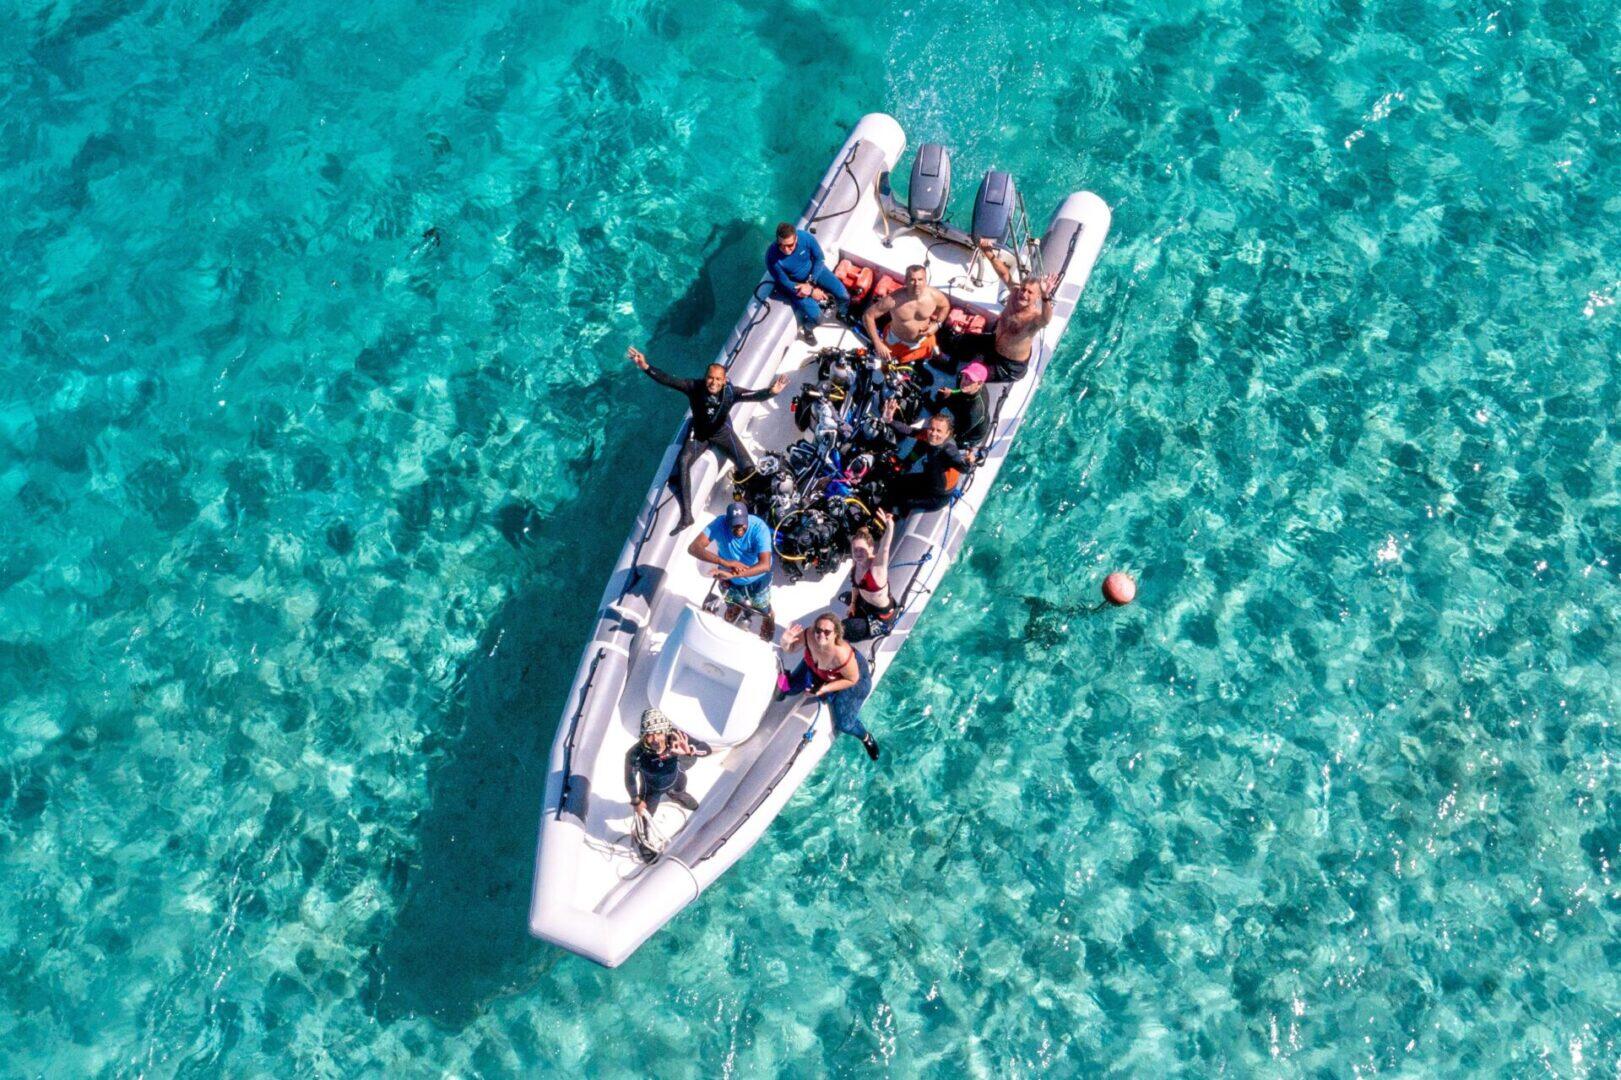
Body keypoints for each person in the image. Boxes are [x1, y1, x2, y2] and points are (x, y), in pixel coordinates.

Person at [629, 346, 789, 534]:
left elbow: (754, 395)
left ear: (724, 380)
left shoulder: (731, 393)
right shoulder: (694, 387)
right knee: (683, 462)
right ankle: (687, 516)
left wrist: (772, 391)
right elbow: (668, 380)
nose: (713, 382)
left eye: (718, 379)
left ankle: (762, 506)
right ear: (705, 378)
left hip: (722, 433)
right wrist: (645, 366)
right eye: (710, 378)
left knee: (748, 468)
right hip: (699, 434)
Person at [940, 239, 1057, 382]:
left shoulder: (1034, 318)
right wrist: (988, 253)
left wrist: (1046, 296)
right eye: (1023, 289)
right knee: (955, 339)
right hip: (993, 343)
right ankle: (950, 366)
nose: (1024, 294)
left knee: (969, 377)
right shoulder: (1015, 293)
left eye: (1030, 292)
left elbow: (1046, 319)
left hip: (1008, 366)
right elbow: (1004, 274)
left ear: (1037, 296)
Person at [778, 613, 879, 760]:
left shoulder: (842, 654)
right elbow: (791, 648)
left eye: (827, 632)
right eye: (818, 630)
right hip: (817, 669)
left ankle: (866, 737)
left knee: (845, 724)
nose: (821, 635)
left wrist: (823, 689)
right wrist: (785, 641)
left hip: (852, 679)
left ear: (836, 634)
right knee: (788, 688)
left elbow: (852, 680)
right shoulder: (809, 635)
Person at [624, 708, 713, 860]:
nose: (655, 739)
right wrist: (636, 801)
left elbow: (707, 749)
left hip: (676, 777)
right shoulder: (636, 754)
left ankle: (677, 795)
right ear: (643, 735)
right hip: (652, 789)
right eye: (649, 735)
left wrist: (691, 750)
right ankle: (641, 840)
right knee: (645, 817)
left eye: (659, 733)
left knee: (680, 788)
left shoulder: (676, 737)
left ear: (665, 731)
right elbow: (630, 778)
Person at [688, 500, 776, 641]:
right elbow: (693, 548)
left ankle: (769, 616)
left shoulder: (759, 528)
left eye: (742, 525)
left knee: (761, 605)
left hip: (757, 578)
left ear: (747, 519)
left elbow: (765, 565)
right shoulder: (719, 523)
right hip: (727, 575)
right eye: (734, 526)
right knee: (730, 600)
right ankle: (734, 607)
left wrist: (733, 574)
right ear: (727, 522)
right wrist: (725, 563)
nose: (739, 529)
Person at [766, 222, 850, 345]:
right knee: (818, 318)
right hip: (796, 286)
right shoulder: (772, 256)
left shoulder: (806, 238)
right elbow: (784, 282)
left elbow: (819, 258)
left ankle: (842, 314)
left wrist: (810, 283)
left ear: (796, 239)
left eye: (790, 245)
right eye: (781, 245)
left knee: (844, 296)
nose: (785, 249)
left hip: (815, 272)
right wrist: (811, 292)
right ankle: (807, 328)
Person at [882, 411, 974, 516]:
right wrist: (890, 421)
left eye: (939, 431)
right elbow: (909, 431)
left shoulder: (949, 451)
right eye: (931, 429)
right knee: (897, 482)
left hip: (938, 497)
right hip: (930, 480)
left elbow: (964, 468)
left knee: (904, 502)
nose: (933, 433)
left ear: (947, 433)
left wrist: (969, 462)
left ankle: (895, 516)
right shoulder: (928, 435)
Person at [861, 264, 951, 366]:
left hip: (924, 339)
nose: (916, 284)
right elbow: (868, 316)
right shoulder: (894, 299)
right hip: (896, 342)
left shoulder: (934, 296)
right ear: (906, 281)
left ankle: (932, 356)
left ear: (925, 281)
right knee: (888, 365)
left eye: (920, 279)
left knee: (931, 351)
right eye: (912, 280)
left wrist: (937, 324)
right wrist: (878, 344)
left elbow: (945, 306)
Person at [844, 508, 896, 642]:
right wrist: (853, 603)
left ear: (871, 548)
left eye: (862, 550)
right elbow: (855, 585)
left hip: (881, 616)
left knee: (842, 630)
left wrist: (889, 526)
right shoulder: (856, 564)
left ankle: (884, 627)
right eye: (855, 550)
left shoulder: (877, 567)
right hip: (865, 604)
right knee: (845, 598)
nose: (858, 553)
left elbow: (885, 548)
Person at [921, 360, 990, 449]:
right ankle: (934, 410)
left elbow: (960, 431)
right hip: (964, 403)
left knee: (939, 441)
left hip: (968, 433)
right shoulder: (964, 381)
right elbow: (960, 390)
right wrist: (951, 393)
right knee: (942, 394)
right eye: (966, 377)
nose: (965, 382)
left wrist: (938, 433)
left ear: (979, 384)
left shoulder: (975, 411)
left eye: (971, 380)